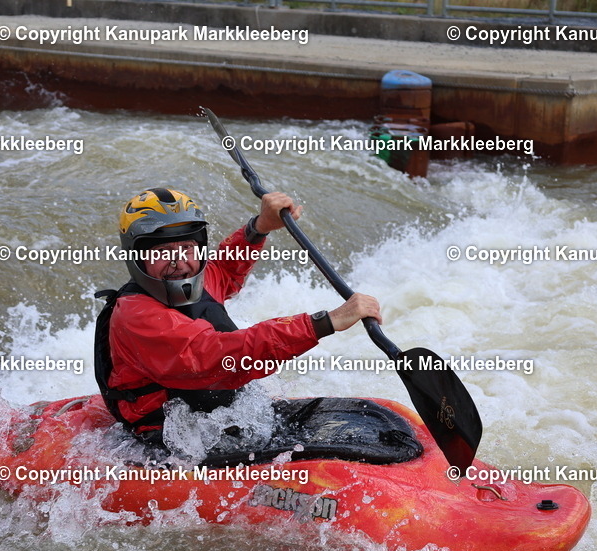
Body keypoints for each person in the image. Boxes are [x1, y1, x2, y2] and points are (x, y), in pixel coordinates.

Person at [94, 187, 381, 450]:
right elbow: (217, 357)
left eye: (187, 249)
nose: (179, 264)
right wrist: (323, 323)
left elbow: (225, 269)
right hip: (166, 437)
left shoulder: (196, 281)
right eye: (162, 253)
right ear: (136, 257)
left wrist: (259, 227)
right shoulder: (136, 316)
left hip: (215, 418)